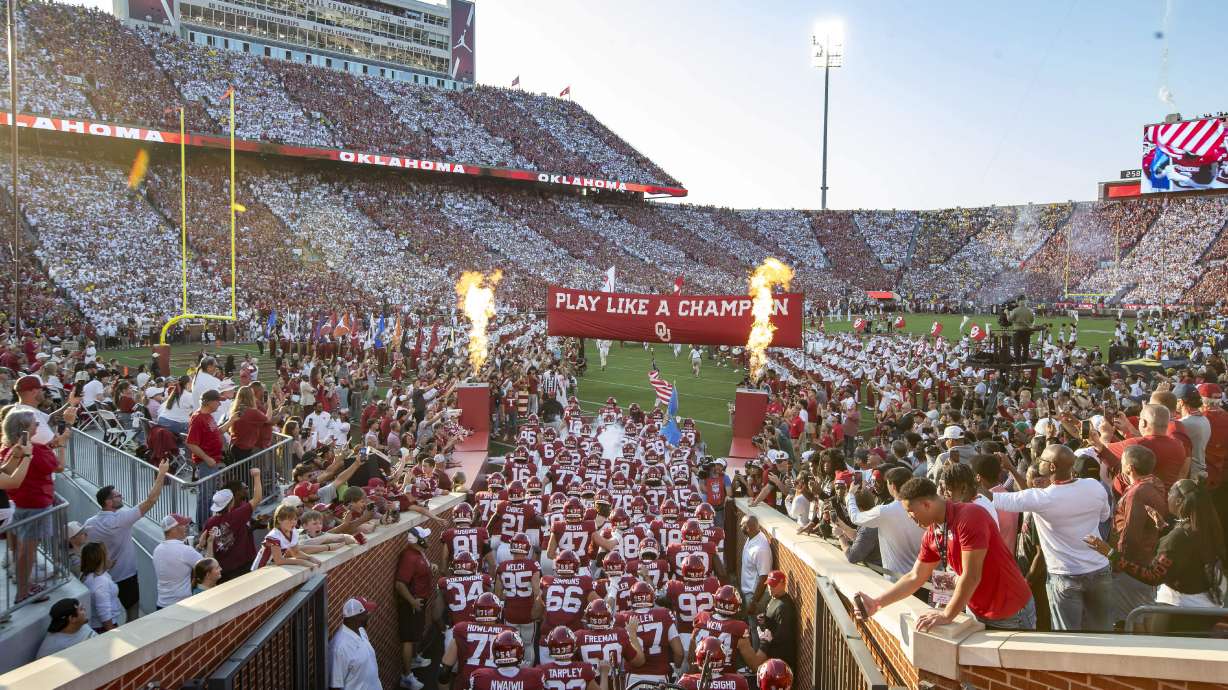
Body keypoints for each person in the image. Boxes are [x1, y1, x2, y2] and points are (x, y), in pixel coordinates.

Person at [855, 477, 1035, 631]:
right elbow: (915, 577)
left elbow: (971, 576)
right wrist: (877, 603)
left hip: (1010, 611)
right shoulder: (933, 533)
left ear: (926, 504)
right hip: (978, 610)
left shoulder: (970, 517)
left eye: (911, 511)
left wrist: (947, 614)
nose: (910, 517)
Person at [992, 445, 1113, 631]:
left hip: (1065, 577)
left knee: (1068, 636)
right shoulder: (1094, 486)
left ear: (1053, 468)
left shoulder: (1042, 498)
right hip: (1100, 570)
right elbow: (1104, 517)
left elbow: (993, 499)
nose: (1039, 461)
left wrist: (990, 469)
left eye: (1043, 460)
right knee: (1104, 631)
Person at [1085, 478, 1227, 633]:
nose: (1167, 497)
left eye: (1170, 493)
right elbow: (1188, 554)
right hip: (1208, 609)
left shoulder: (1178, 538)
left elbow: (1152, 576)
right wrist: (1165, 530)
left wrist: (1111, 553)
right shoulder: (1206, 529)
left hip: (1181, 614)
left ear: (1179, 501)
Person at [8, 375, 76, 602]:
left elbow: (47, 420)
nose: (38, 425)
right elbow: (58, 462)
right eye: (39, 389)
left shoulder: (20, 416)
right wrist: (65, 436)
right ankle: (23, 591)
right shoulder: (33, 446)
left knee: (23, 544)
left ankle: (21, 580)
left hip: (25, 497)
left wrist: (70, 406)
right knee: (28, 548)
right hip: (34, 498)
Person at [84, 459, 171, 622]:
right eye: (117, 495)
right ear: (108, 502)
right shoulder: (121, 519)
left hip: (102, 577)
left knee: (106, 617)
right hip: (126, 577)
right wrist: (161, 473)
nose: (121, 495)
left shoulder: (89, 524)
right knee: (132, 614)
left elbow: (81, 544)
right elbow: (151, 500)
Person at [1104, 445, 1167, 625]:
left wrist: (1117, 563)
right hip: (1147, 560)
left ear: (1130, 468)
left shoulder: (1137, 493)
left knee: (1131, 620)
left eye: (1122, 463)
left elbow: (1130, 536)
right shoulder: (1155, 483)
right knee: (1143, 617)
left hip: (1132, 567)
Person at [845, 466, 923, 579]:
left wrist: (850, 495)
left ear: (893, 486)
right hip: (922, 580)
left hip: (896, 581)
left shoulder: (884, 511)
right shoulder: (924, 507)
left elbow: (856, 517)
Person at [202, 468, 263, 582]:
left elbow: (205, 544)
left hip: (221, 571)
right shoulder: (238, 514)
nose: (246, 489)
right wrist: (256, 476)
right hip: (241, 567)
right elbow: (257, 498)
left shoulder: (209, 522)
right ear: (231, 502)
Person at [395, 525, 434, 690]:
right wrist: (412, 601)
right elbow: (399, 584)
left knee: (416, 633)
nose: (428, 539)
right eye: (425, 536)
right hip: (412, 604)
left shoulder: (418, 553)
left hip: (419, 601)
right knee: (408, 639)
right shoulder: (409, 557)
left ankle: (415, 658)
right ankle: (407, 676)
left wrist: (431, 568)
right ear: (417, 540)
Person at [153, 513, 210, 609]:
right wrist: (210, 543)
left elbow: (180, 561)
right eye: (183, 525)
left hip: (161, 605)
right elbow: (209, 565)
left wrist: (199, 547)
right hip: (181, 606)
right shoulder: (184, 550)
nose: (186, 527)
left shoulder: (157, 550)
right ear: (174, 529)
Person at [186, 388, 226, 527]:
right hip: (206, 464)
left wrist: (232, 421)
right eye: (218, 402)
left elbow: (218, 431)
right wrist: (206, 458)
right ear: (209, 402)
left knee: (210, 496)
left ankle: (207, 524)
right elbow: (191, 443)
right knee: (205, 497)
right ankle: (203, 527)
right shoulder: (198, 418)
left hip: (213, 462)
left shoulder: (209, 416)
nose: (219, 405)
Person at [329, 597, 381, 690]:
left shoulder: (361, 630)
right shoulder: (339, 648)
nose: (369, 615)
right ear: (356, 617)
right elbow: (335, 686)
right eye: (365, 613)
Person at [754, 570, 798, 672]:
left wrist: (767, 641)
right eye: (769, 585)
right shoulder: (773, 598)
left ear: (782, 584)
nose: (770, 588)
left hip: (781, 660)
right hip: (772, 656)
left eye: (773, 585)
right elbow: (773, 621)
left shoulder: (784, 607)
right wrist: (765, 620)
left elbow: (783, 636)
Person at [82, 542, 121, 632]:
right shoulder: (101, 583)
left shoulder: (88, 575)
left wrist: (106, 567)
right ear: (100, 558)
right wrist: (113, 633)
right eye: (106, 554)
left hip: (98, 625)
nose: (108, 555)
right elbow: (104, 614)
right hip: (105, 627)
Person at [739, 515, 772, 619]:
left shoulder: (760, 549)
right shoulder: (752, 537)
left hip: (755, 595)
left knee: (756, 629)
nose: (740, 526)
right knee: (751, 627)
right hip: (748, 592)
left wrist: (754, 602)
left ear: (748, 528)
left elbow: (764, 577)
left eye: (742, 525)